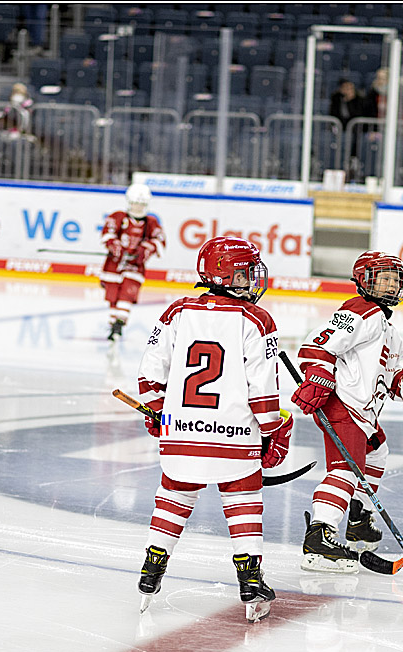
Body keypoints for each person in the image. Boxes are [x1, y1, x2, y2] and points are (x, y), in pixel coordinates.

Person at [135, 236, 292, 622]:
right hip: (235, 437)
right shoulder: (257, 319)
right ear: (227, 275)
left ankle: (151, 569)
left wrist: (158, 413)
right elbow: (263, 389)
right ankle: (250, 581)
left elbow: (149, 374)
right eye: (245, 272)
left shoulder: (176, 311)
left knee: (174, 494)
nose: (252, 279)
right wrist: (274, 429)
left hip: (181, 431)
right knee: (244, 500)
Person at [292, 251, 403, 573]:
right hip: (342, 403)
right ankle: (319, 536)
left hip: (363, 412)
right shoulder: (361, 310)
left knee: (377, 452)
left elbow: (388, 384)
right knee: (346, 469)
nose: (391, 285)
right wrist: (317, 378)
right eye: (383, 278)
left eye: (395, 279)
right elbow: (317, 346)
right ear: (364, 280)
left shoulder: (389, 330)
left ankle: (357, 518)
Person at [99, 184, 165, 341]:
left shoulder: (151, 223)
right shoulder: (118, 217)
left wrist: (146, 249)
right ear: (129, 202)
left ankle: (119, 323)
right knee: (113, 294)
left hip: (135, 267)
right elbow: (107, 234)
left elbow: (159, 241)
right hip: (114, 265)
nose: (138, 207)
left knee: (127, 293)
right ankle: (113, 323)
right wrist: (115, 246)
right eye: (135, 203)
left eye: (141, 204)